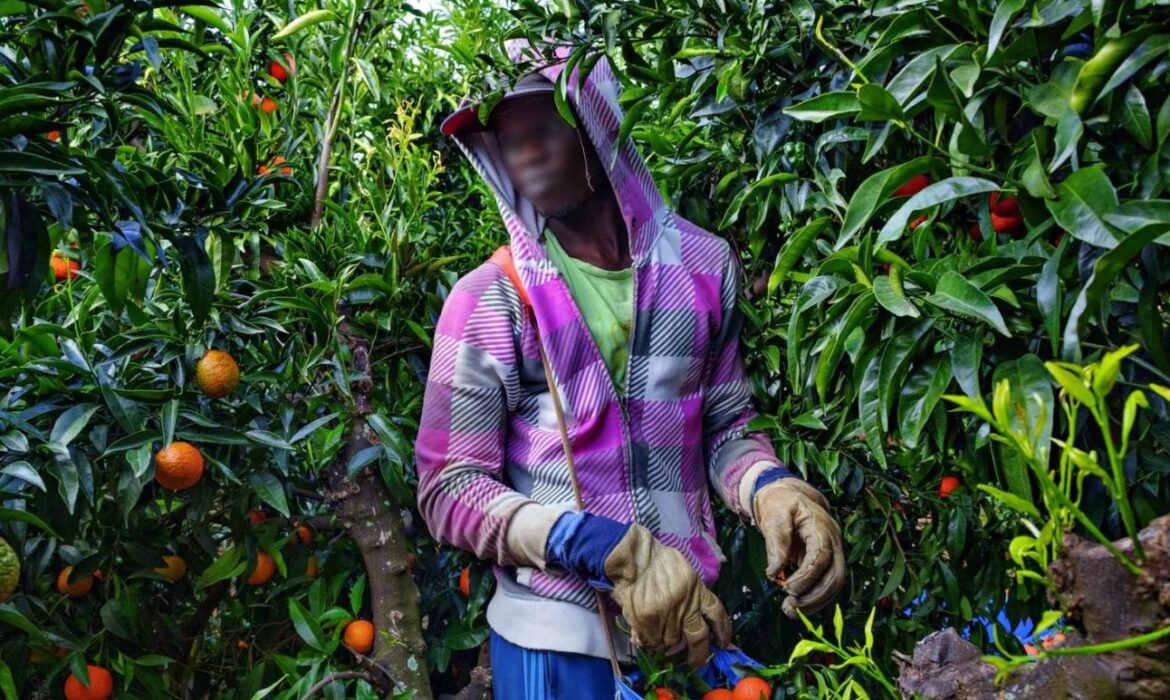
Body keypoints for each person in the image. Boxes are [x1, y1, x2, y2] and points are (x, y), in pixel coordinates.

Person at [415, 40, 845, 699]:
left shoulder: (704, 268)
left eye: (542, 130)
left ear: (596, 128)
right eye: (508, 141)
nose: (524, 155)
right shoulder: (492, 298)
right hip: (556, 640)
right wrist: (602, 547)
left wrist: (770, 487)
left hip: (686, 626)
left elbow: (724, 424)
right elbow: (451, 486)